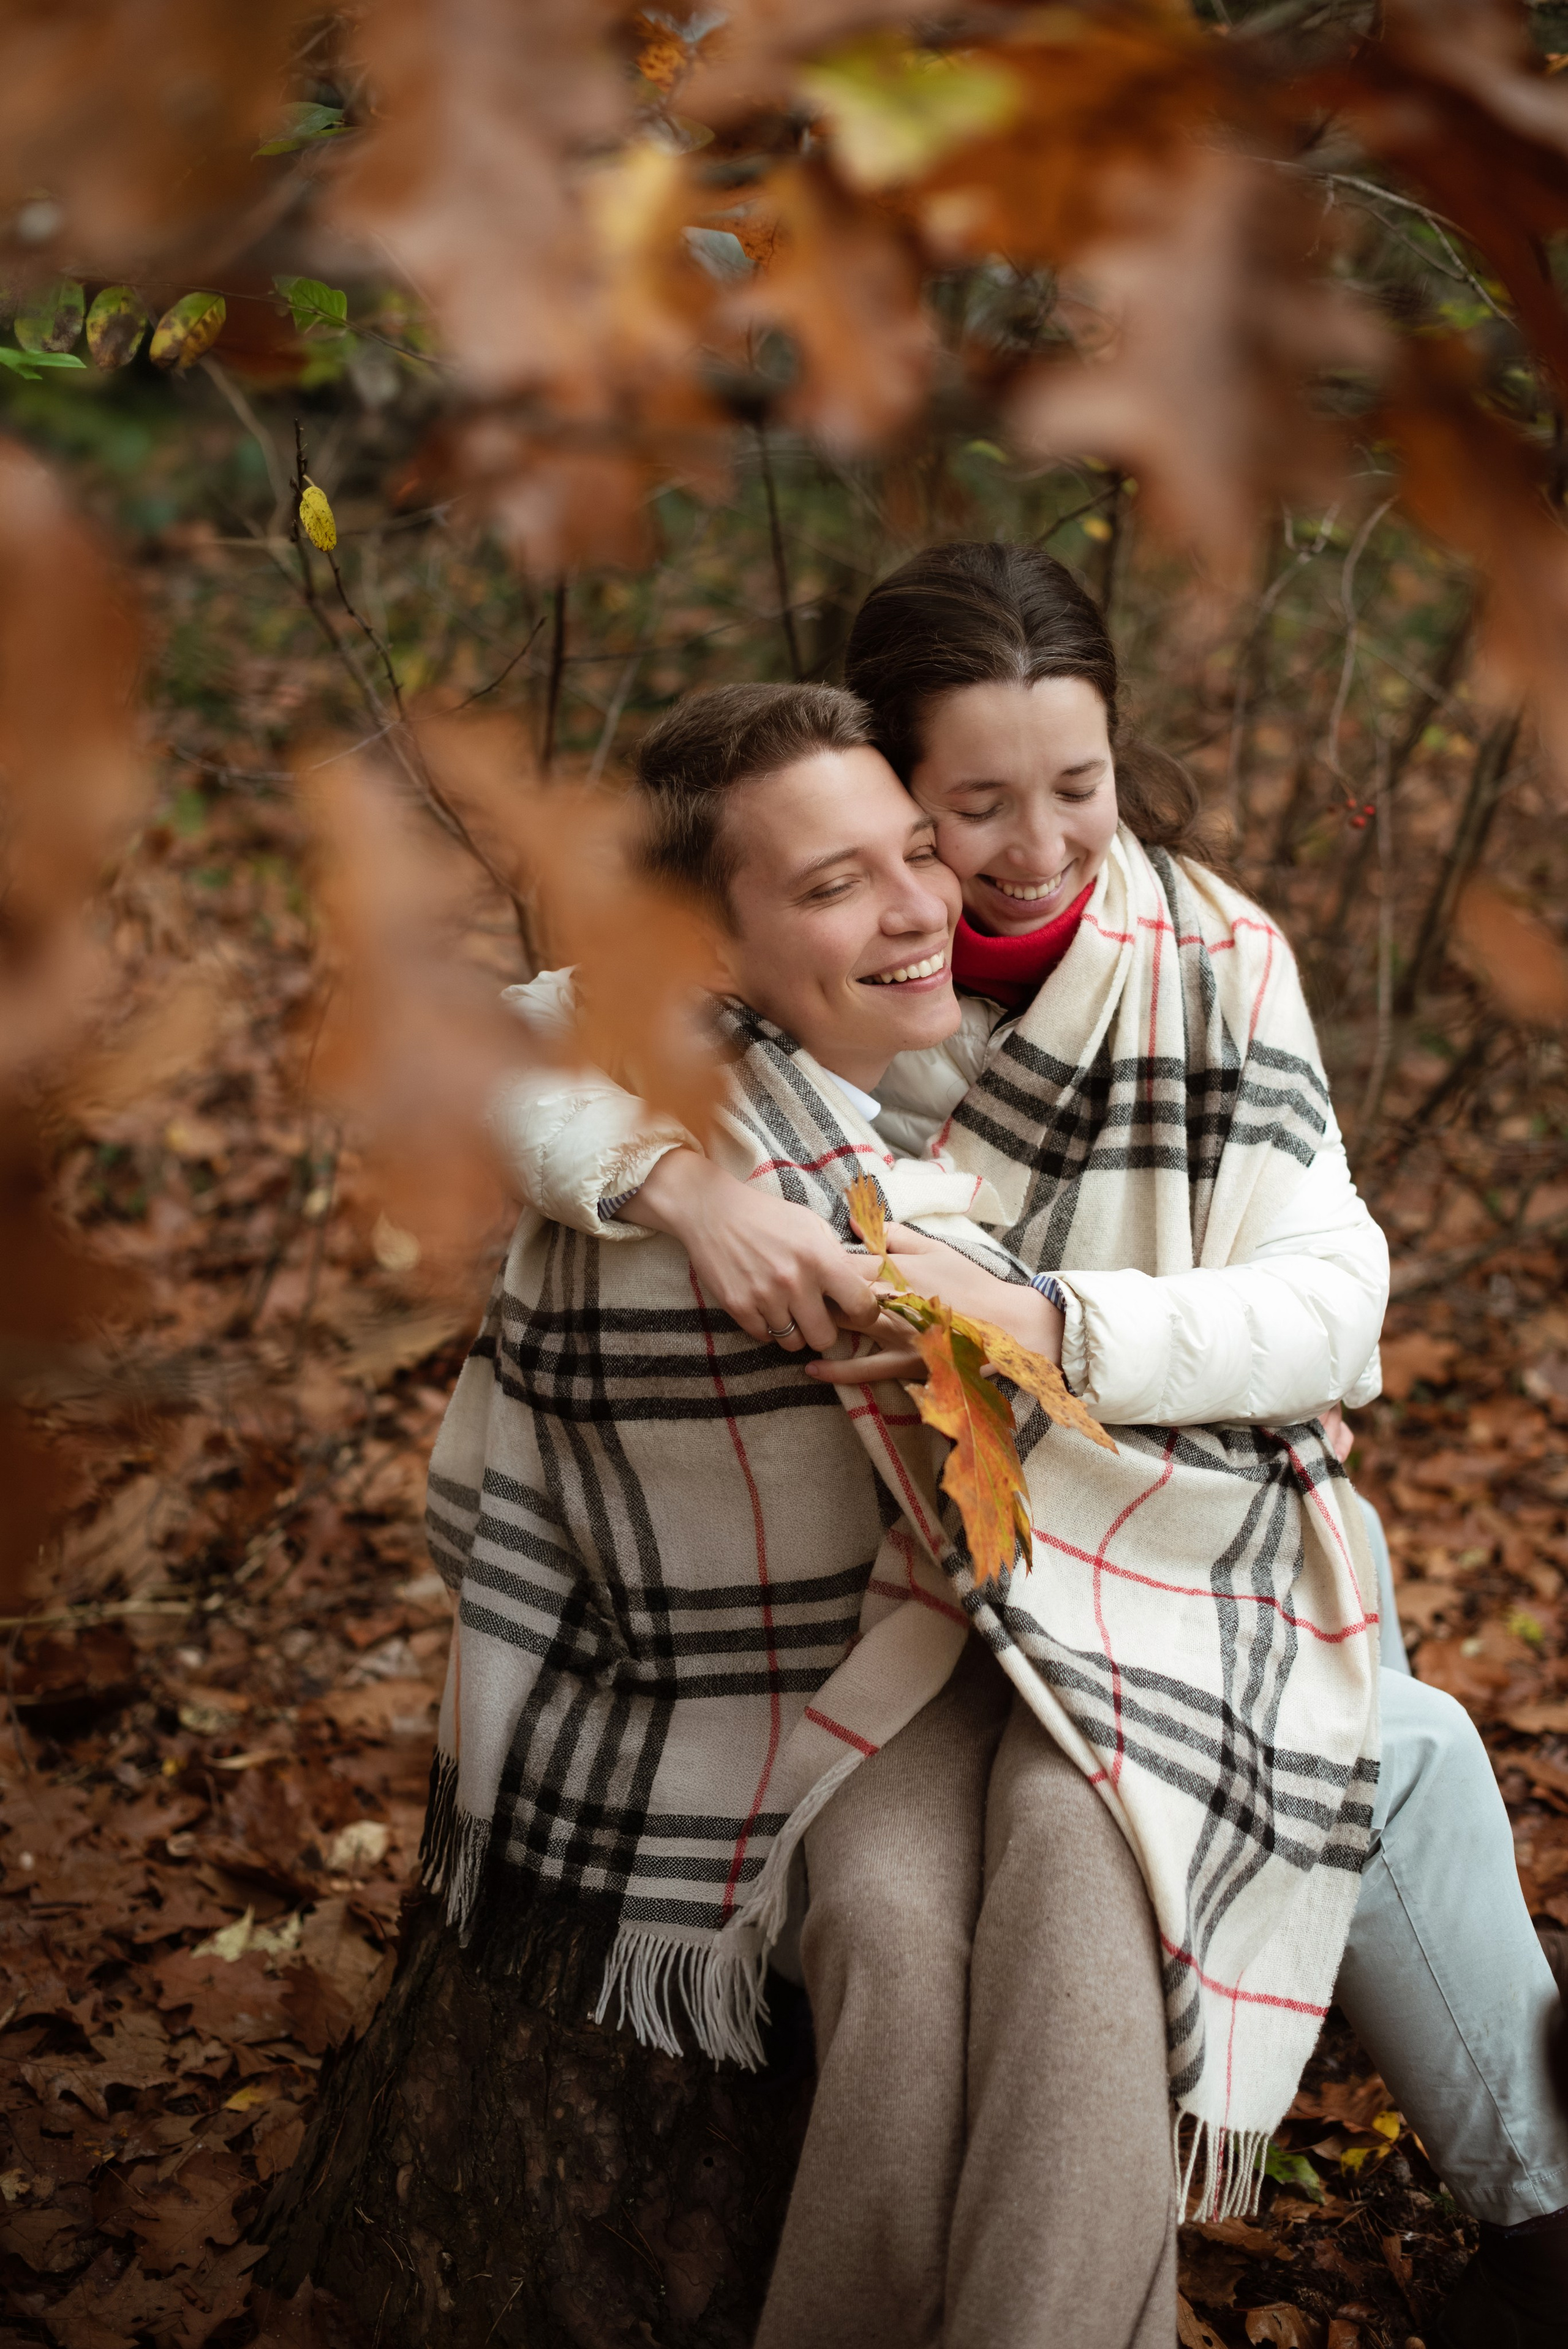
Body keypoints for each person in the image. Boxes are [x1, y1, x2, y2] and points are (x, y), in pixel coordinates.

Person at [494, 546, 1568, 2349]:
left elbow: (1332, 1310)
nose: (1033, 845)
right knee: (909, 1938)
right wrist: (676, 1183)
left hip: (1153, 1556)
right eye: (968, 803)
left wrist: (1056, 1332)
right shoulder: (810, 961)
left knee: (1207, 1821)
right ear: (879, 782)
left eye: (1080, 786)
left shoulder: (1211, 962)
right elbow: (500, 1035)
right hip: (890, 1616)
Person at [425, 690, 1182, 2348]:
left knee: (1088, 1891)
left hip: (1092, 1619)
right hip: (857, 1673)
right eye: (835, 885)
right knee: (901, 1950)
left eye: (919, 849)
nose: (921, 905)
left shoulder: (1050, 1034)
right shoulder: (694, 1098)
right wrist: (691, 1191)